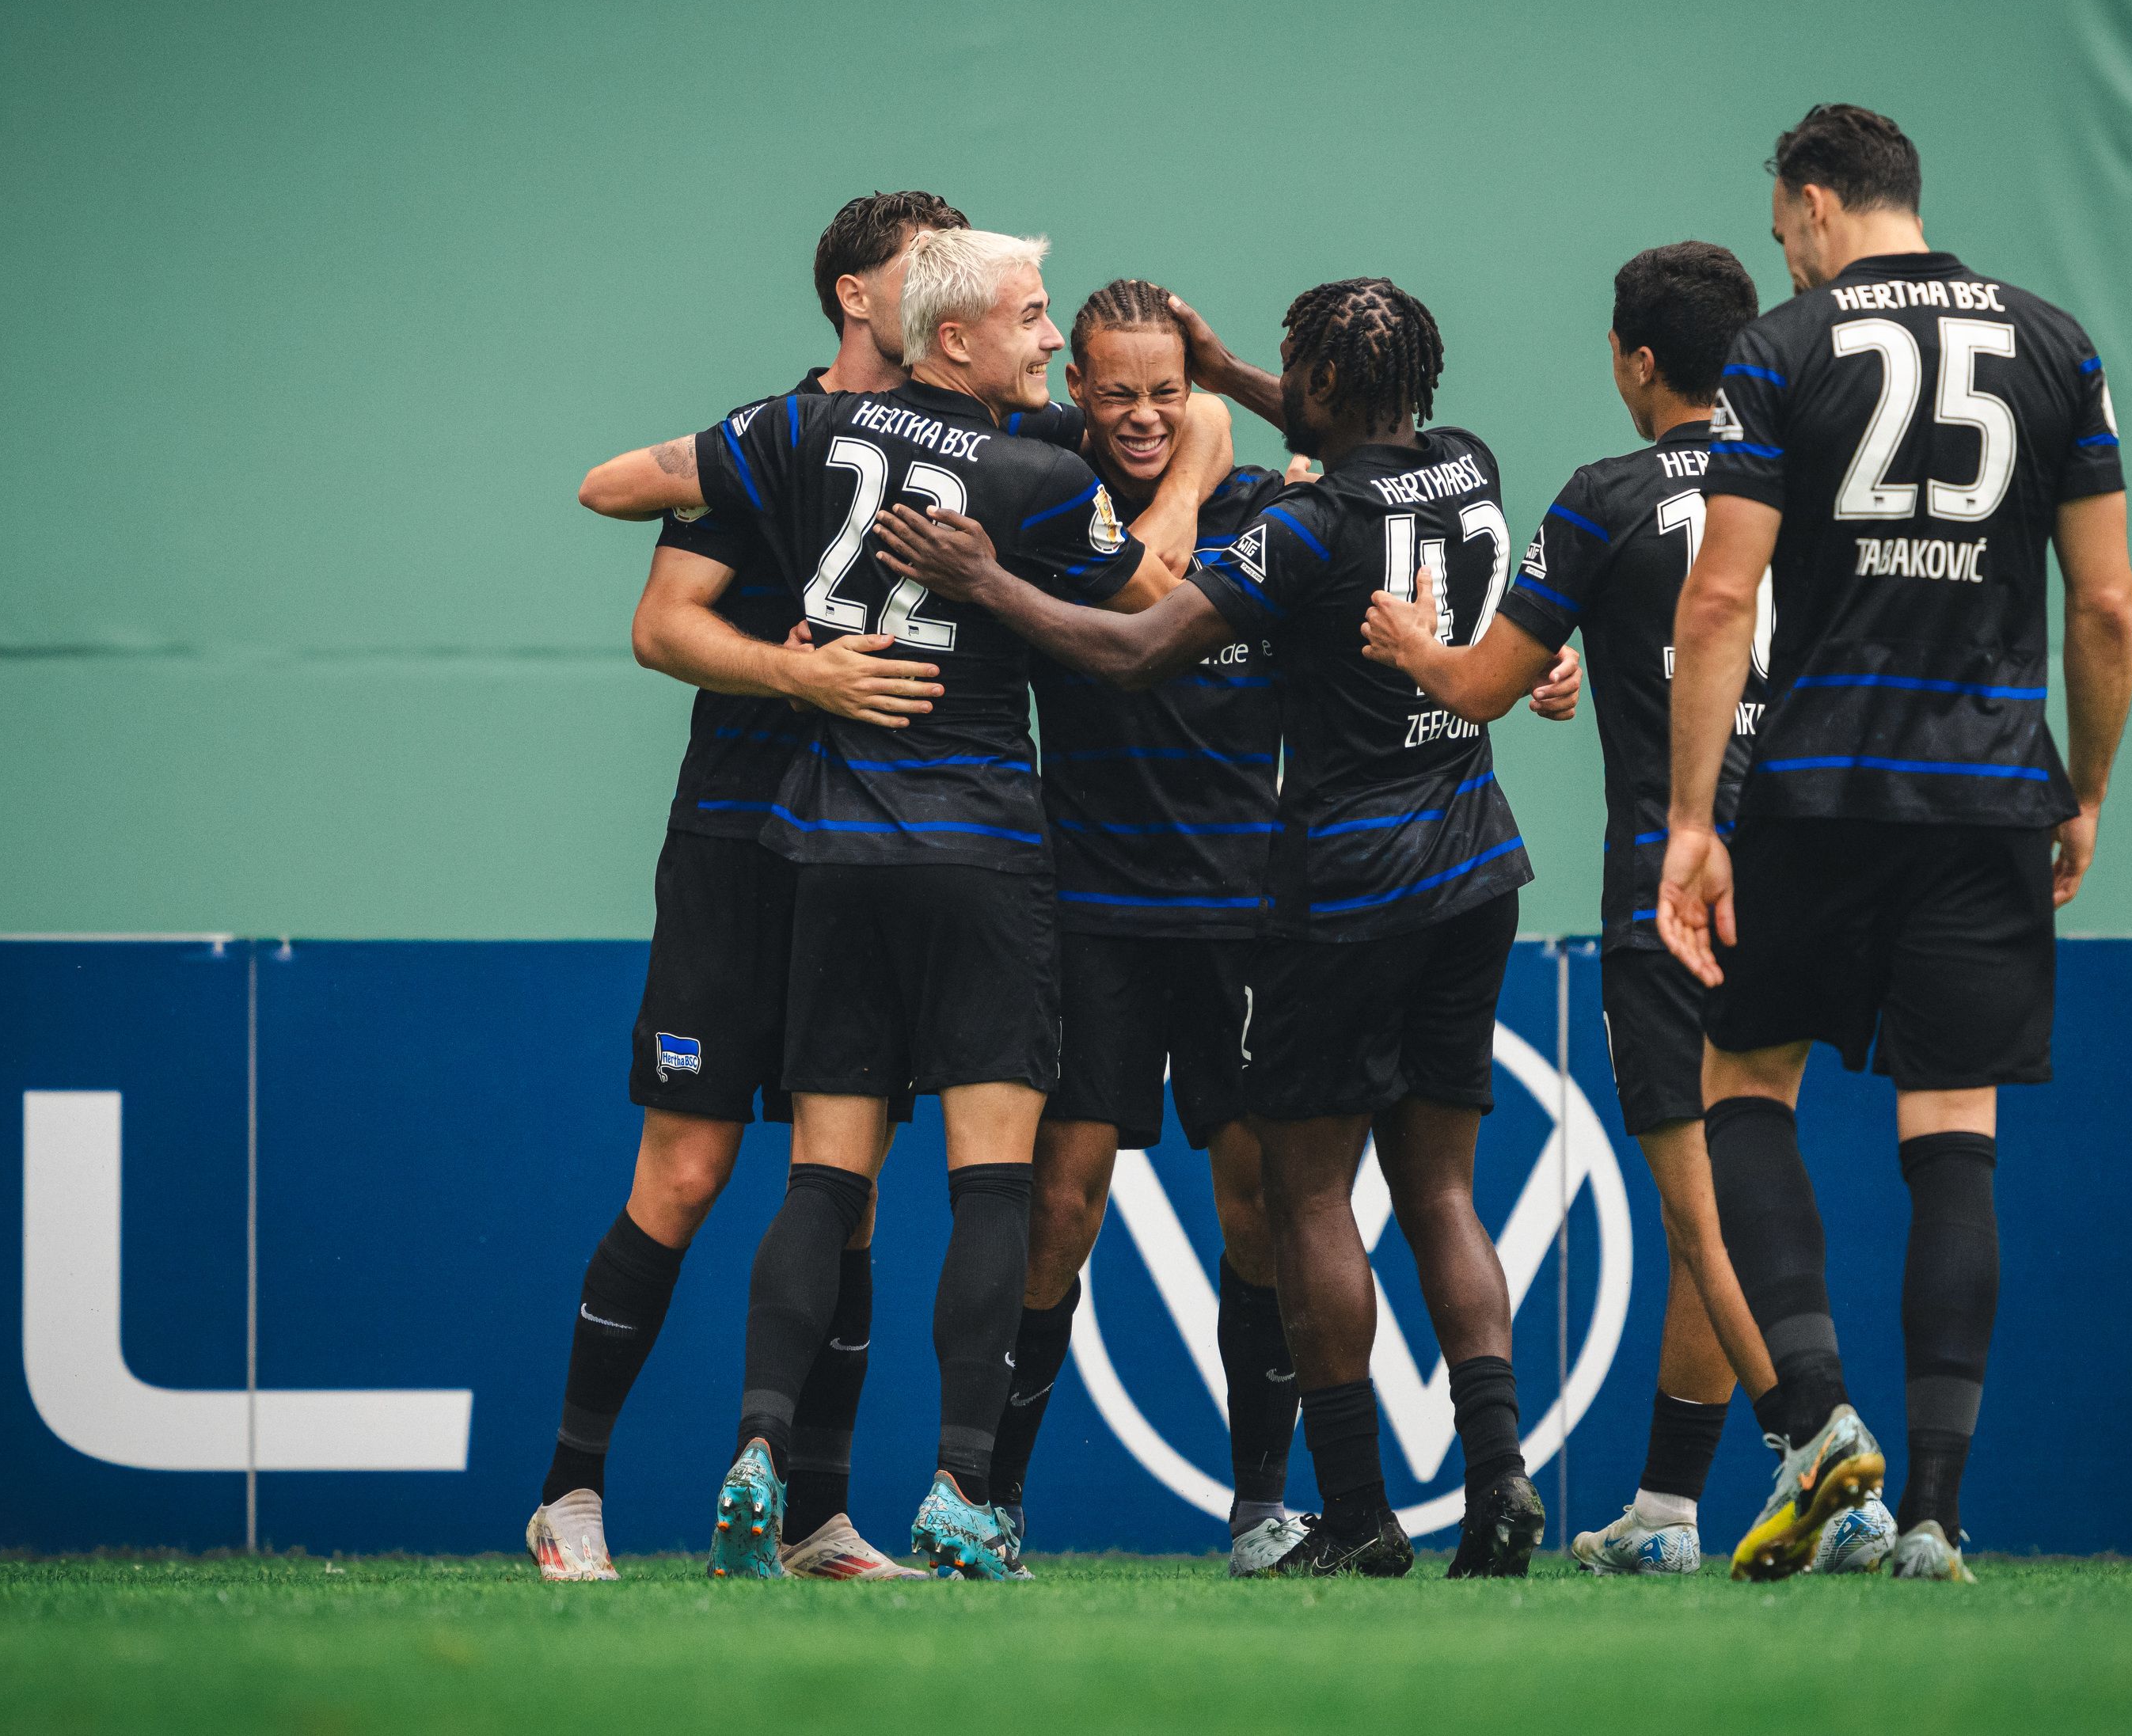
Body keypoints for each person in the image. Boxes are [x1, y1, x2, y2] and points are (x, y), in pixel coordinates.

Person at [875, 279, 1551, 1579]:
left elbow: (1143, 640)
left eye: (1166, 394)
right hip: (1142, 912)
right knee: (1086, 1203)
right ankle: (998, 1499)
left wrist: (995, 576)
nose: (1142, 416)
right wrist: (1233, 386)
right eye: (1116, 391)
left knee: (1280, 1202)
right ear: (1076, 388)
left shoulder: (1285, 519)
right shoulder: (1042, 497)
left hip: (1286, 902)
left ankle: (1294, 1508)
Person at [595, 225, 1171, 1580]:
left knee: (820, 1177)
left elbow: (627, 484)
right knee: (990, 1184)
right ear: (955, 337)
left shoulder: (798, 435)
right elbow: (1156, 610)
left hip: (829, 853)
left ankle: (755, 1447)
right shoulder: (1039, 474)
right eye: (1033, 320)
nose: (1052, 343)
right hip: (976, 852)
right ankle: (961, 1488)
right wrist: (1195, 453)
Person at [1359, 241, 1895, 1577]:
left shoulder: (1604, 496)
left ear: (1638, 361)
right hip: (1810, 867)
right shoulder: (1811, 481)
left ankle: (1821, 1446)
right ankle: (1665, 1512)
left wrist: (1413, 646)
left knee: (1701, 1203)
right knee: (1723, 1189)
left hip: (1673, 878)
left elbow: (1481, 686)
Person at [1656, 105, 2132, 1583]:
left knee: (1744, 1080)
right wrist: (2089, 790)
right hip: (1990, 784)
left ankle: (1817, 1414)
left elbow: (1721, 602)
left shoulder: (1782, 348)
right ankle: (1933, 1512)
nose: (1783, 251)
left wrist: (1693, 820)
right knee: (1955, 1133)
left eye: (1783, 225)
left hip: (1815, 783)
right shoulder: (2061, 346)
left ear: (1813, 205)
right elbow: (2106, 608)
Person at [526, 189, 967, 1584]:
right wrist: (804, 671)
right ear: (854, 293)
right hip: (735, 848)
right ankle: (570, 1497)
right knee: (691, 1168)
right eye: (921, 269)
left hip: (880, 860)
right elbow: (660, 624)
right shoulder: (771, 443)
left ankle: (821, 1516)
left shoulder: (975, 450)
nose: (949, 290)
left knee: (852, 1193)